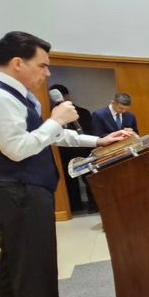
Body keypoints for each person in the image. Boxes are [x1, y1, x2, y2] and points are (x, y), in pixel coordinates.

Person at [0, 31, 131, 297]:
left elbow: (47, 136)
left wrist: (98, 141)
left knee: (15, 265)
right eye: (42, 65)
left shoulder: (19, 96)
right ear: (17, 63)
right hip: (17, 191)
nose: (47, 72)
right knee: (35, 266)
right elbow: (18, 148)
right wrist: (55, 119)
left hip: (23, 190)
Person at [49, 84, 94, 214]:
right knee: (69, 182)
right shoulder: (51, 115)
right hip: (63, 153)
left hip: (83, 152)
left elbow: (88, 132)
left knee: (88, 178)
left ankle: (93, 205)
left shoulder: (82, 112)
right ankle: (74, 206)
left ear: (67, 96)